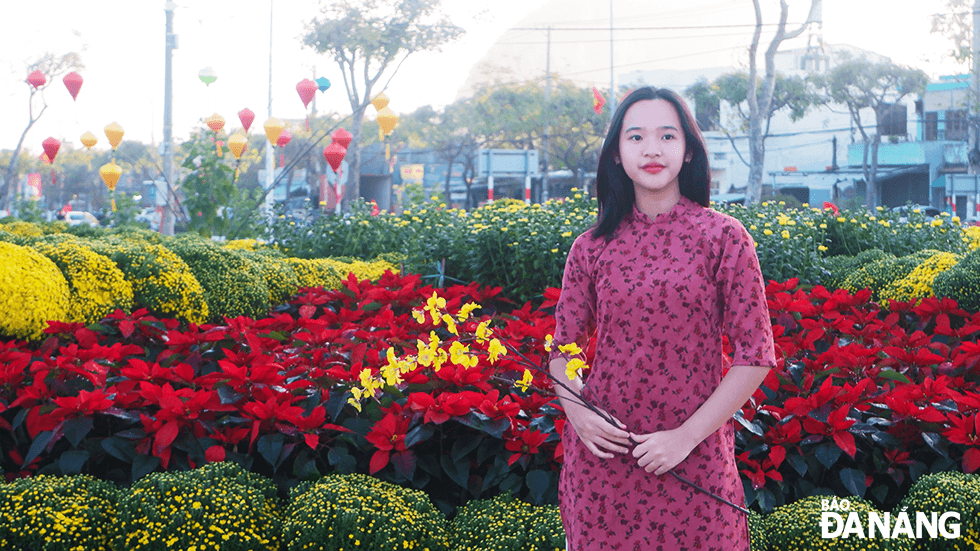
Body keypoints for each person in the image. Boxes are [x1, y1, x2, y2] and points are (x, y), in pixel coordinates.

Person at [549, 87, 776, 550]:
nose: (651, 149)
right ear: (617, 153)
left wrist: (683, 438)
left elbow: (755, 354)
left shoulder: (725, 238)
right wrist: (578, 413)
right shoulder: (590, 247)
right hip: (604, 462)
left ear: (688, 149)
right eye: (635, 137)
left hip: (694, 458)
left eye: (667, 136)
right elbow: (562, 352)